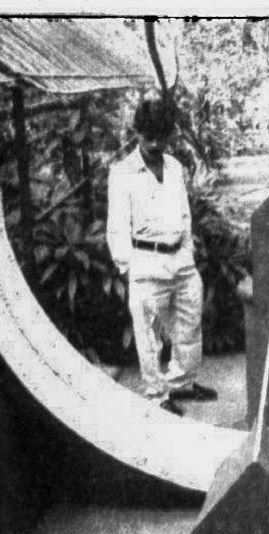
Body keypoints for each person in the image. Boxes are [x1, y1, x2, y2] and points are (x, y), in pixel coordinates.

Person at [106, 94, 218, 416]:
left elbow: (185, 214)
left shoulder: (174, 167)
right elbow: (116, 227)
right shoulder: (122, 173)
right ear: (137, 132)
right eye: (148, 136)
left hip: (181, 260)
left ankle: (182, 382)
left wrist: (188, 251)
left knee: (189, 325)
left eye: (161, 136)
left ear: (169, 134)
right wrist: (128, 268)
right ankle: (157, 394)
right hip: (145, 262)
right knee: (149, 334)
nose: (155, 144)